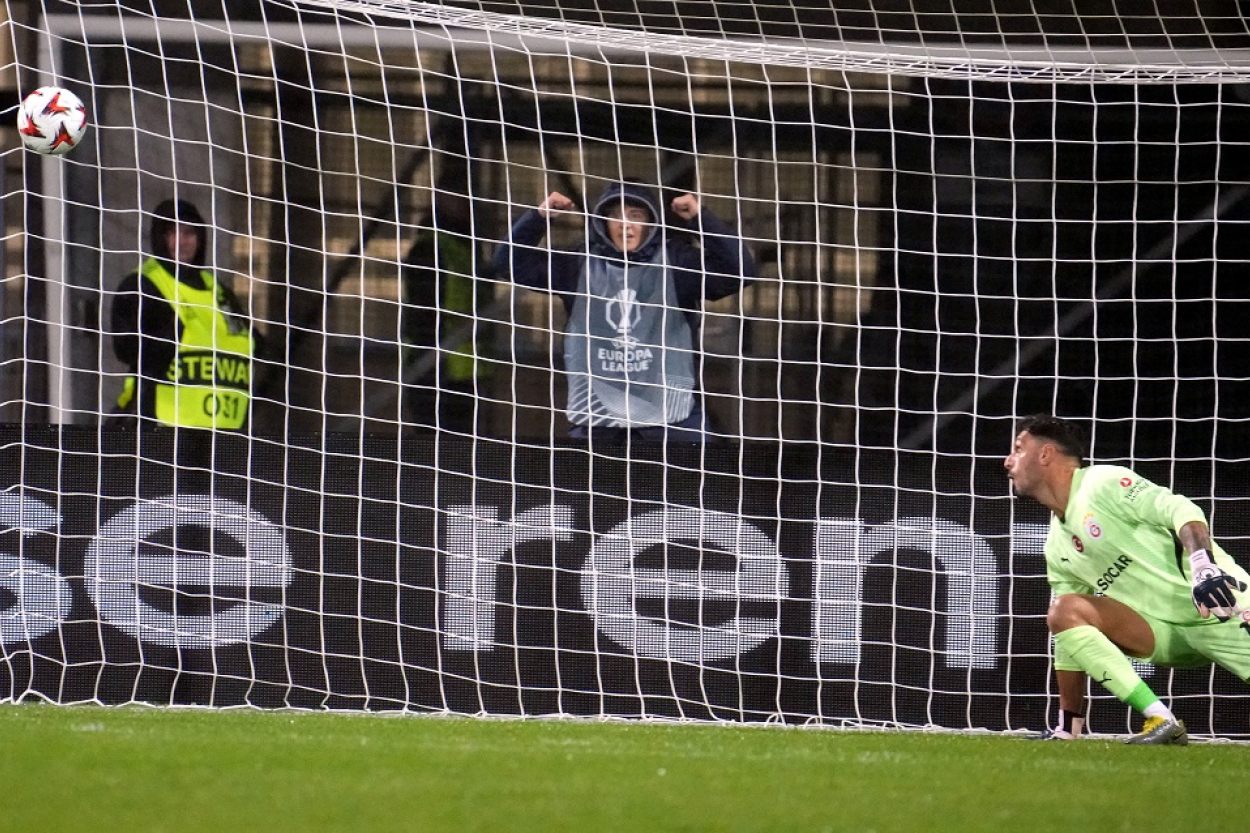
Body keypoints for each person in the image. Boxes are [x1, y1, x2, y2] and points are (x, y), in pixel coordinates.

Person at [1004, 413, 1250, 744]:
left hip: (1217, 603)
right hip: (1162, 632)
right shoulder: (1056, 546)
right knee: (1063, 610)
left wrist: (1203, 567)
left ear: (1045, 454)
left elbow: (1179, 508)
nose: (1008, 462)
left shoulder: (1101, 483)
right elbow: (1067, 638)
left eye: (1019, 448)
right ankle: (1161, 720)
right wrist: (1068, 723)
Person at [492, 181, 755, 442]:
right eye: (616, 216)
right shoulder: (579, 262)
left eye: (636, 216)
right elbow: (508, 262)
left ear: (651, 222)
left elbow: (741, 269)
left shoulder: (676, 262)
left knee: (693, 482)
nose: (625, 224)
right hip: (600, 421)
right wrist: (539, 218)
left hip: (674, 422)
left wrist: (700, 219)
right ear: (603, 222)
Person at [110, 198, 258, 431]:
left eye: (189, 232)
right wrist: (167, 337)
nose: (181, 241)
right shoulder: (143, 284)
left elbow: (255, 345)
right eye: (172, 232)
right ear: (159, 237)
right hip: (159, 431)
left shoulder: (218, 291)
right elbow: (126, 348)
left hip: (224, 435)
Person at [401, 190, 493, 429]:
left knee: (460, 443)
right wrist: (430, 356)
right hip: (435, 366)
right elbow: (422, 309)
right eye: (460, 197)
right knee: (433, 441)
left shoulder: (466, 248)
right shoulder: (431, 248)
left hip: (462, 369)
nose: (467, 205)